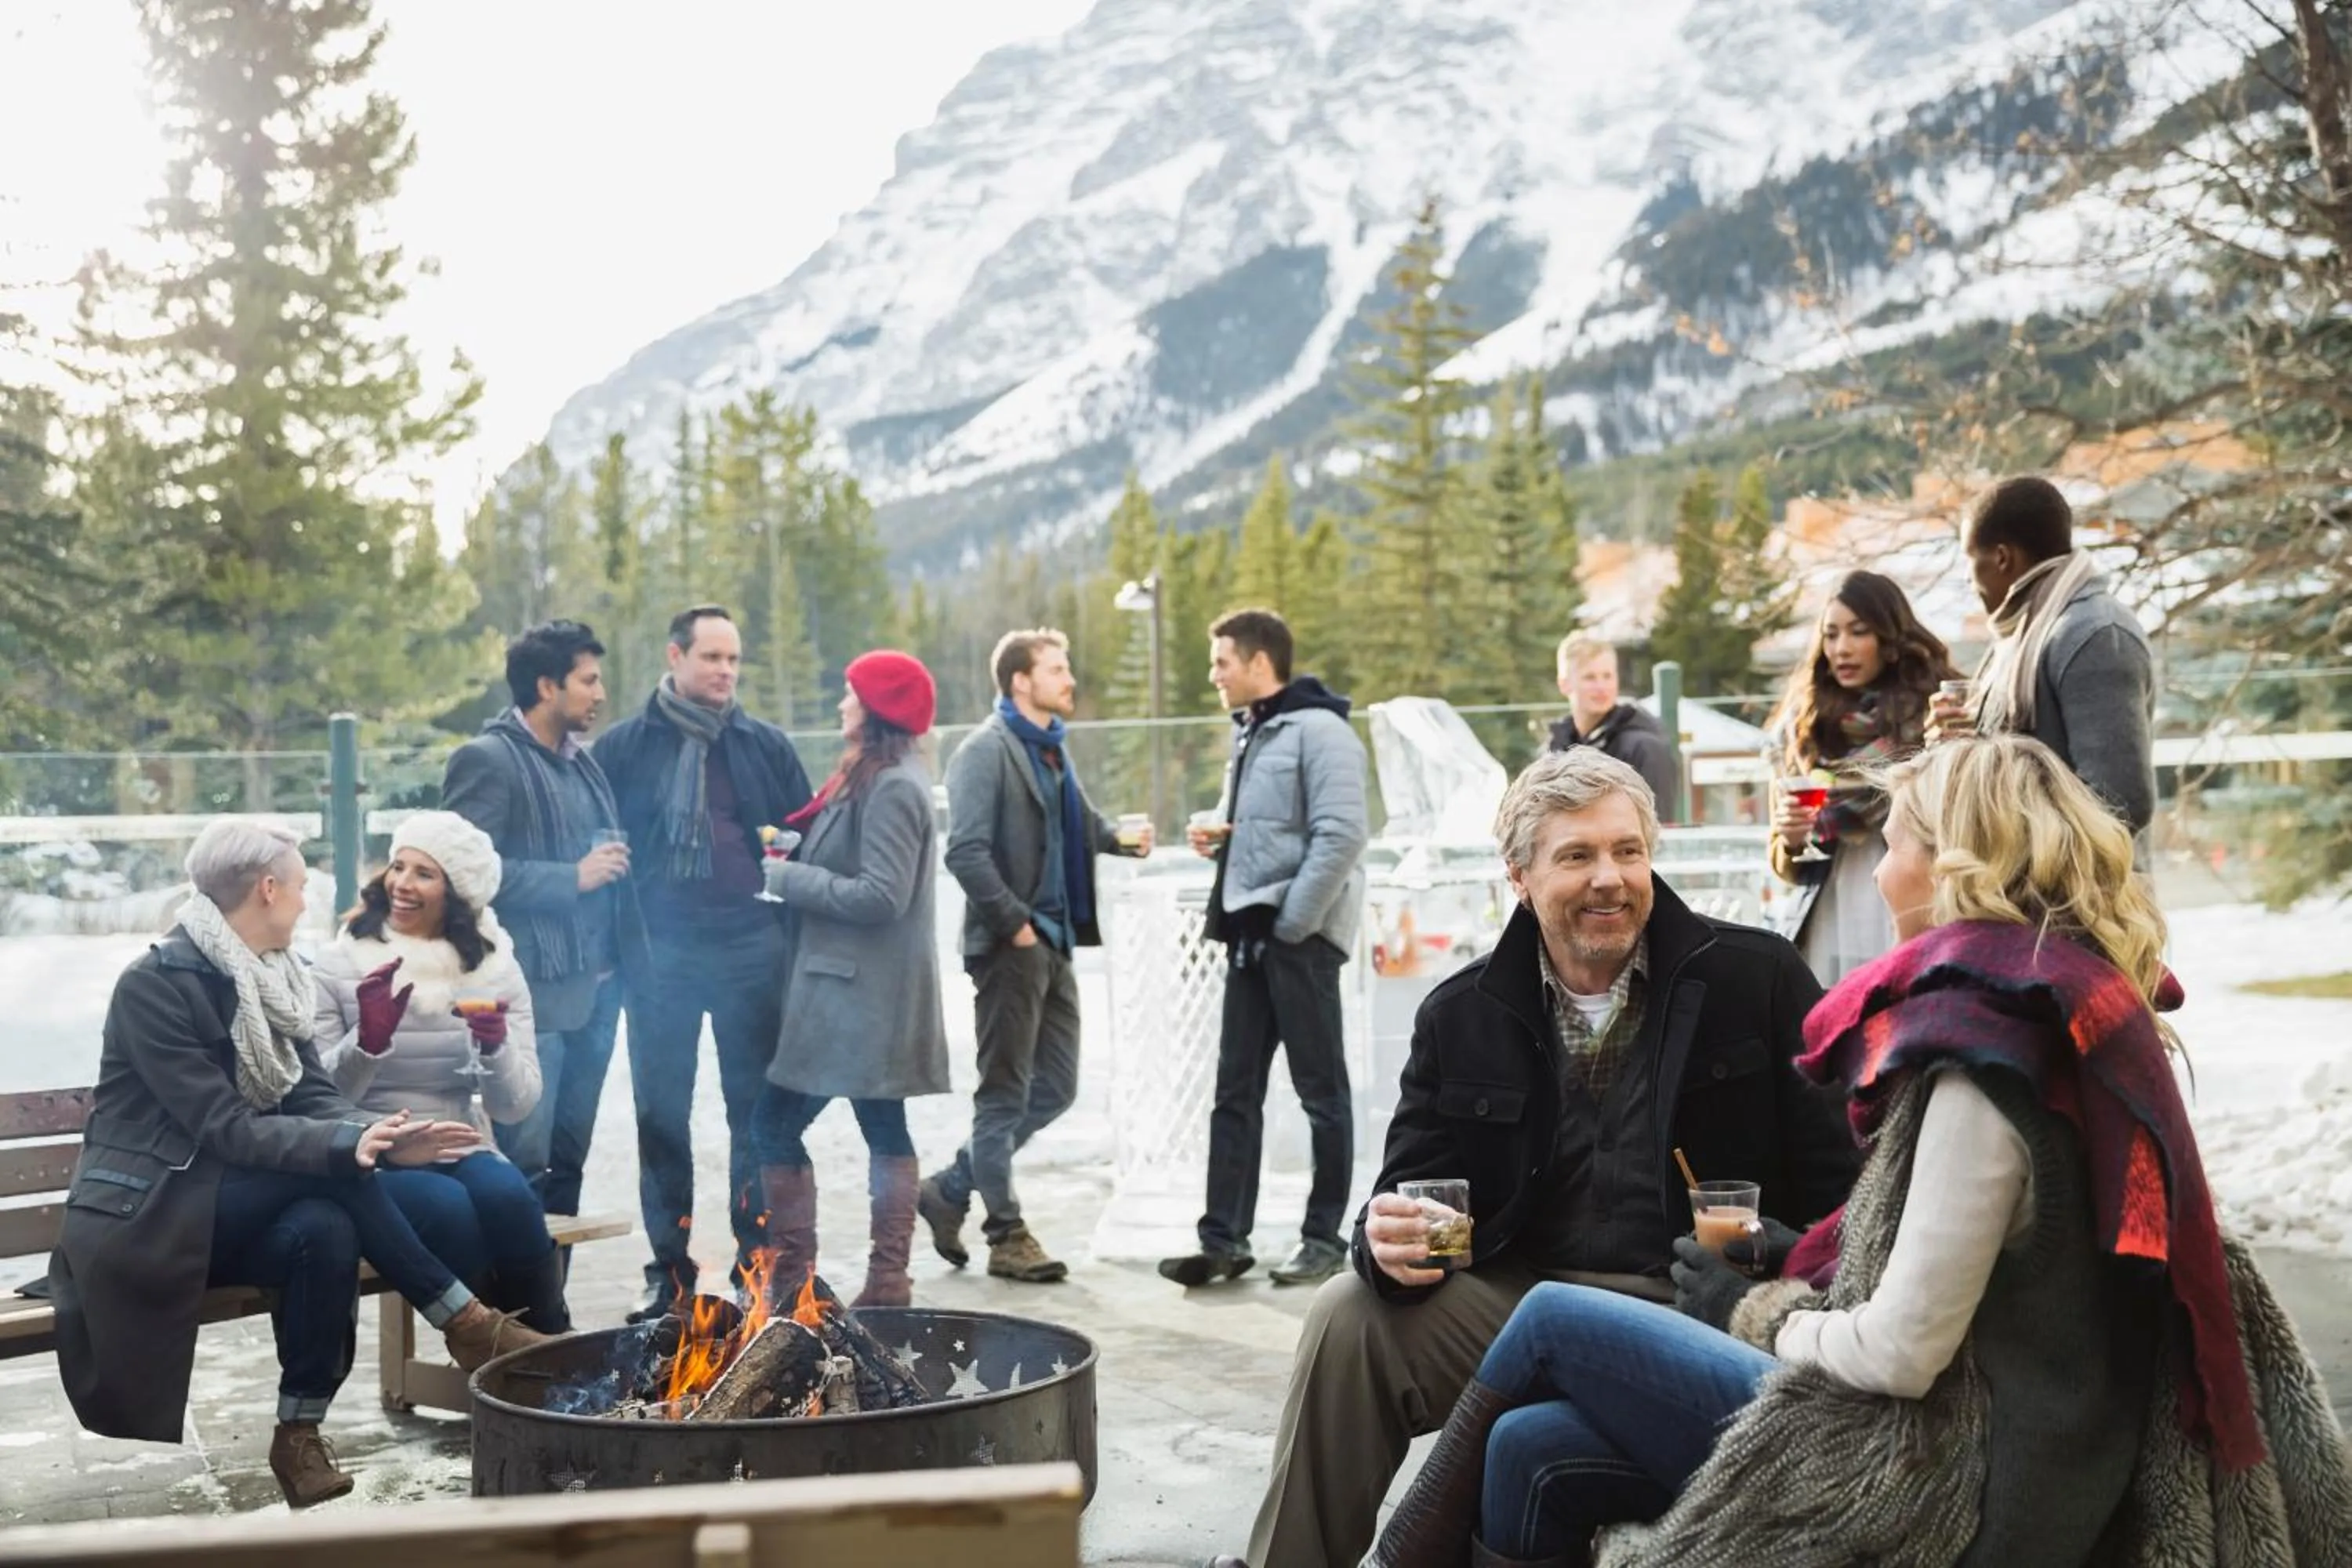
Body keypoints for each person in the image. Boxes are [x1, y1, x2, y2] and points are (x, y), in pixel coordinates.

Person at [1368, 735, 2350, 1567]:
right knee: (1532, 1446)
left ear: (1956, 863)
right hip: (2016, 1428)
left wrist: (1757, 1306)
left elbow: (1900, 1353)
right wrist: (1794, 1250)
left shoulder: (1980, 1067)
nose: (1876, 870)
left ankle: (1400, 1555)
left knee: (1551, 1319)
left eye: (1893, 842)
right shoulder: (2056, 1001)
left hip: (1951, 1466)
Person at [1227, 750, 1860, 1568]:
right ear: (1518, 873)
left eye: (1627, 850)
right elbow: (1408, 1192)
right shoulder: (1460, 1013)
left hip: (1696, 1303)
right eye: (1577, 855)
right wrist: (1380, 1240)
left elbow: (1846, 1189)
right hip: (1520, 1294)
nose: (1610, 878)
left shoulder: (1756, 977)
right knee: (1348, 1313)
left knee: (1530, 1429)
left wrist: (1774, 1252)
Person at [47, 821, 557, 1508]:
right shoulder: (158, 986)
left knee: (325, 1224)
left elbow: (309, 1094)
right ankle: (467, 1323)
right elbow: (224, 1128)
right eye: (299, 884)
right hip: (159, 1208)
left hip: (223, 1199)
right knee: (334, 1178)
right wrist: (350, 1146)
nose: (307, 898)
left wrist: (376, 1133)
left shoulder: (274, 977)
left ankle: (299, 1432)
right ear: (266, 889)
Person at [593, 604, 812, 1320]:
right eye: (711, 657)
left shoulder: (764, 746)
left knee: (754, 1117)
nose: (724, 671)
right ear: (676, 656)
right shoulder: (626, 748)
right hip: (660, 959)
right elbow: (602, 848)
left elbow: (804, 843)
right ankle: (671, 1274)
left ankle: (758, 1267)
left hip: (752, 951)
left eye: (733, 660)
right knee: (661, 1116)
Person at [920, 629, 1150, 1284]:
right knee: (1001, 1098)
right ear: (1020, 681)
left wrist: (1122, 841)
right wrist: (1016, 924)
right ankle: (1006, 1234)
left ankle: (953, 1184)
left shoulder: (1052, 751)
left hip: (1056, 942)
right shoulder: (983, 751)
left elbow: (1081, 824)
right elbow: (964, 851)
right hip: (1011, 948)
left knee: (1056, 1086)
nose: (1068, 677)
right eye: (1056, 668)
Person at [1158, 608, 1370, 1294]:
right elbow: (1274, 830)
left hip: (1295, 942)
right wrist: (1220, 839)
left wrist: (1293, 925)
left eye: (1221, 661)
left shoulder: (1323, 731)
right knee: (1234, 1093)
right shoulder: (1251, 732)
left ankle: (1323, 1238)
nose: (1213, 674)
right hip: (1251, 937)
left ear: (1258, 662)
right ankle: (1222, 1241)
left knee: (1321, 1094)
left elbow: (1340, 836)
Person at [310, 811, 569, 1334]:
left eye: (424, 874)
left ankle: (551, 1340)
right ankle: (496, 1350)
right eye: (398, 866)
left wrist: (494, 1047)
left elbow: (515, 1105)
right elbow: (316, 1097)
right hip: (366, 1148)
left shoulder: (493, 967)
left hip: (455, 1137)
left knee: (511, 1198)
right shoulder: (341, 961)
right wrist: (369, 1040)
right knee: (448, 1208)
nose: (402, 884)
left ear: (458, 893)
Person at [756, 650, 950, 1308]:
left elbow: (881, 896)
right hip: (858, 992)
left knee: (773, 1127)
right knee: (883, 1126)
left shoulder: (893, 785)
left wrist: (788, 879)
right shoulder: (875, 775)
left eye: (850, 695)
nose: (842, 706)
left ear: (877, 710)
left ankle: (798, 1283)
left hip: (857, 996)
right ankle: (885, 1283)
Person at [441, 619, 644, 1225]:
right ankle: (510, 1311)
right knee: (521, 1170)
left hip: (599, 996)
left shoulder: (583, 764)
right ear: (547, 686)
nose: (600, 693)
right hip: (530, 1003)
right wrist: (570, 877)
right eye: (588, 680)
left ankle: (550, 1314)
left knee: (566, 1169)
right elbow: (456, 872)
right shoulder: (486, 760)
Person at [1933, 475, 2155, 838]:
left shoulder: (2094, 634)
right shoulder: (2021, 634)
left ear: (2002, 558)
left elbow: (2121, 804)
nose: (1970, 582)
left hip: (2081, 893)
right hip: (2019, 888)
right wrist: (1958, 750)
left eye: (1970, 561)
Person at [1765, 571, 1959, 985]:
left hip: (1920, 900)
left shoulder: (1935, 717)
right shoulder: (1803, 726)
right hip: (1828, 912)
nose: (1842, 649)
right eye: (1831, 635)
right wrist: (1792, 838)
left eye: (1858, 632)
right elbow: (1784, 861)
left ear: (1889, 639)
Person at [1547, 636, 1678, 821]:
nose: (1602, 687)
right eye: (1590, 678)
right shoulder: (1556, 750)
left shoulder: (1645, 749)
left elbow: (1658, 828)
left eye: (1608, 676)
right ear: (1564, 684)